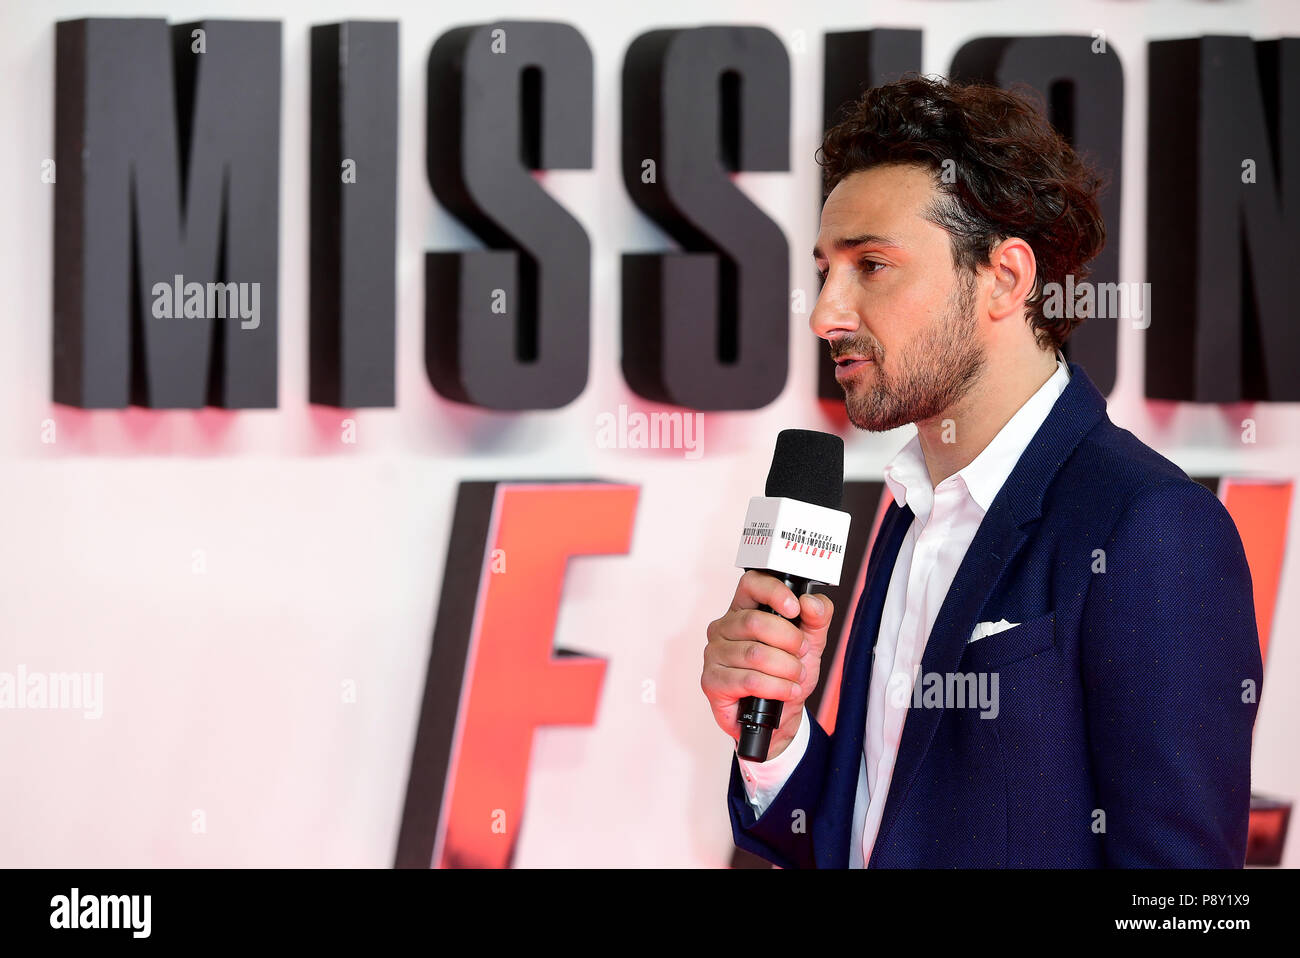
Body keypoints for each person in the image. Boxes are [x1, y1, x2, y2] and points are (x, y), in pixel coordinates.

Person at [701, 74, 1262, 868]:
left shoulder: (1150, 527)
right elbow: (873, 835)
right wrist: (779, 741)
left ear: (1005, 278)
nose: (826, 312)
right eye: (826, 269)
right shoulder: (912, 508)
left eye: (872, 266)